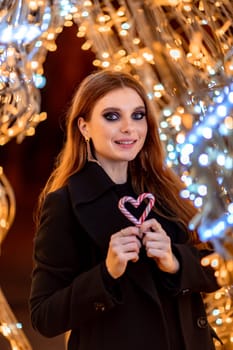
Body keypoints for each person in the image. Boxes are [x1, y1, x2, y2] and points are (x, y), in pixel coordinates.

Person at [29, 69, 220, 350]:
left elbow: (218, 267)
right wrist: (106, 274)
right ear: (84, 127)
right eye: (112, 116)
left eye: (138, 115)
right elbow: (44, 316)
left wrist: (175, 261)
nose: (129, 128)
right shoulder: (64, 203)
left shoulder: (167, 190)